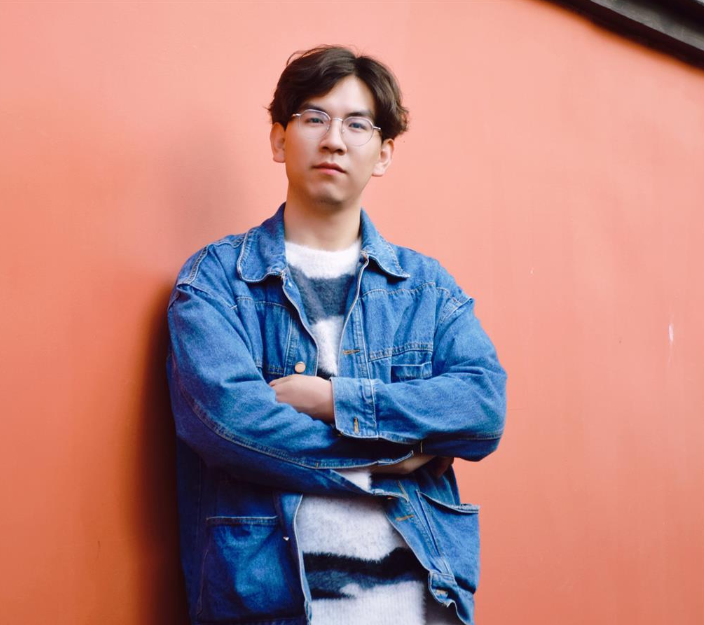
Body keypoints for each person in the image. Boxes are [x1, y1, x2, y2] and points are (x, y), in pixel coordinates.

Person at [166, 45, 507, 625]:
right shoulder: (215, 281)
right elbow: (232, 426)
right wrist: (394, 455)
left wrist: (334, 401)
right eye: (314, 118)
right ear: (279, 140)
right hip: (276, 610)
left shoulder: (426, 288)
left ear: (383, 152)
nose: (334, 140)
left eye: (357, 124)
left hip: (421, 607)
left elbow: (483, 407)